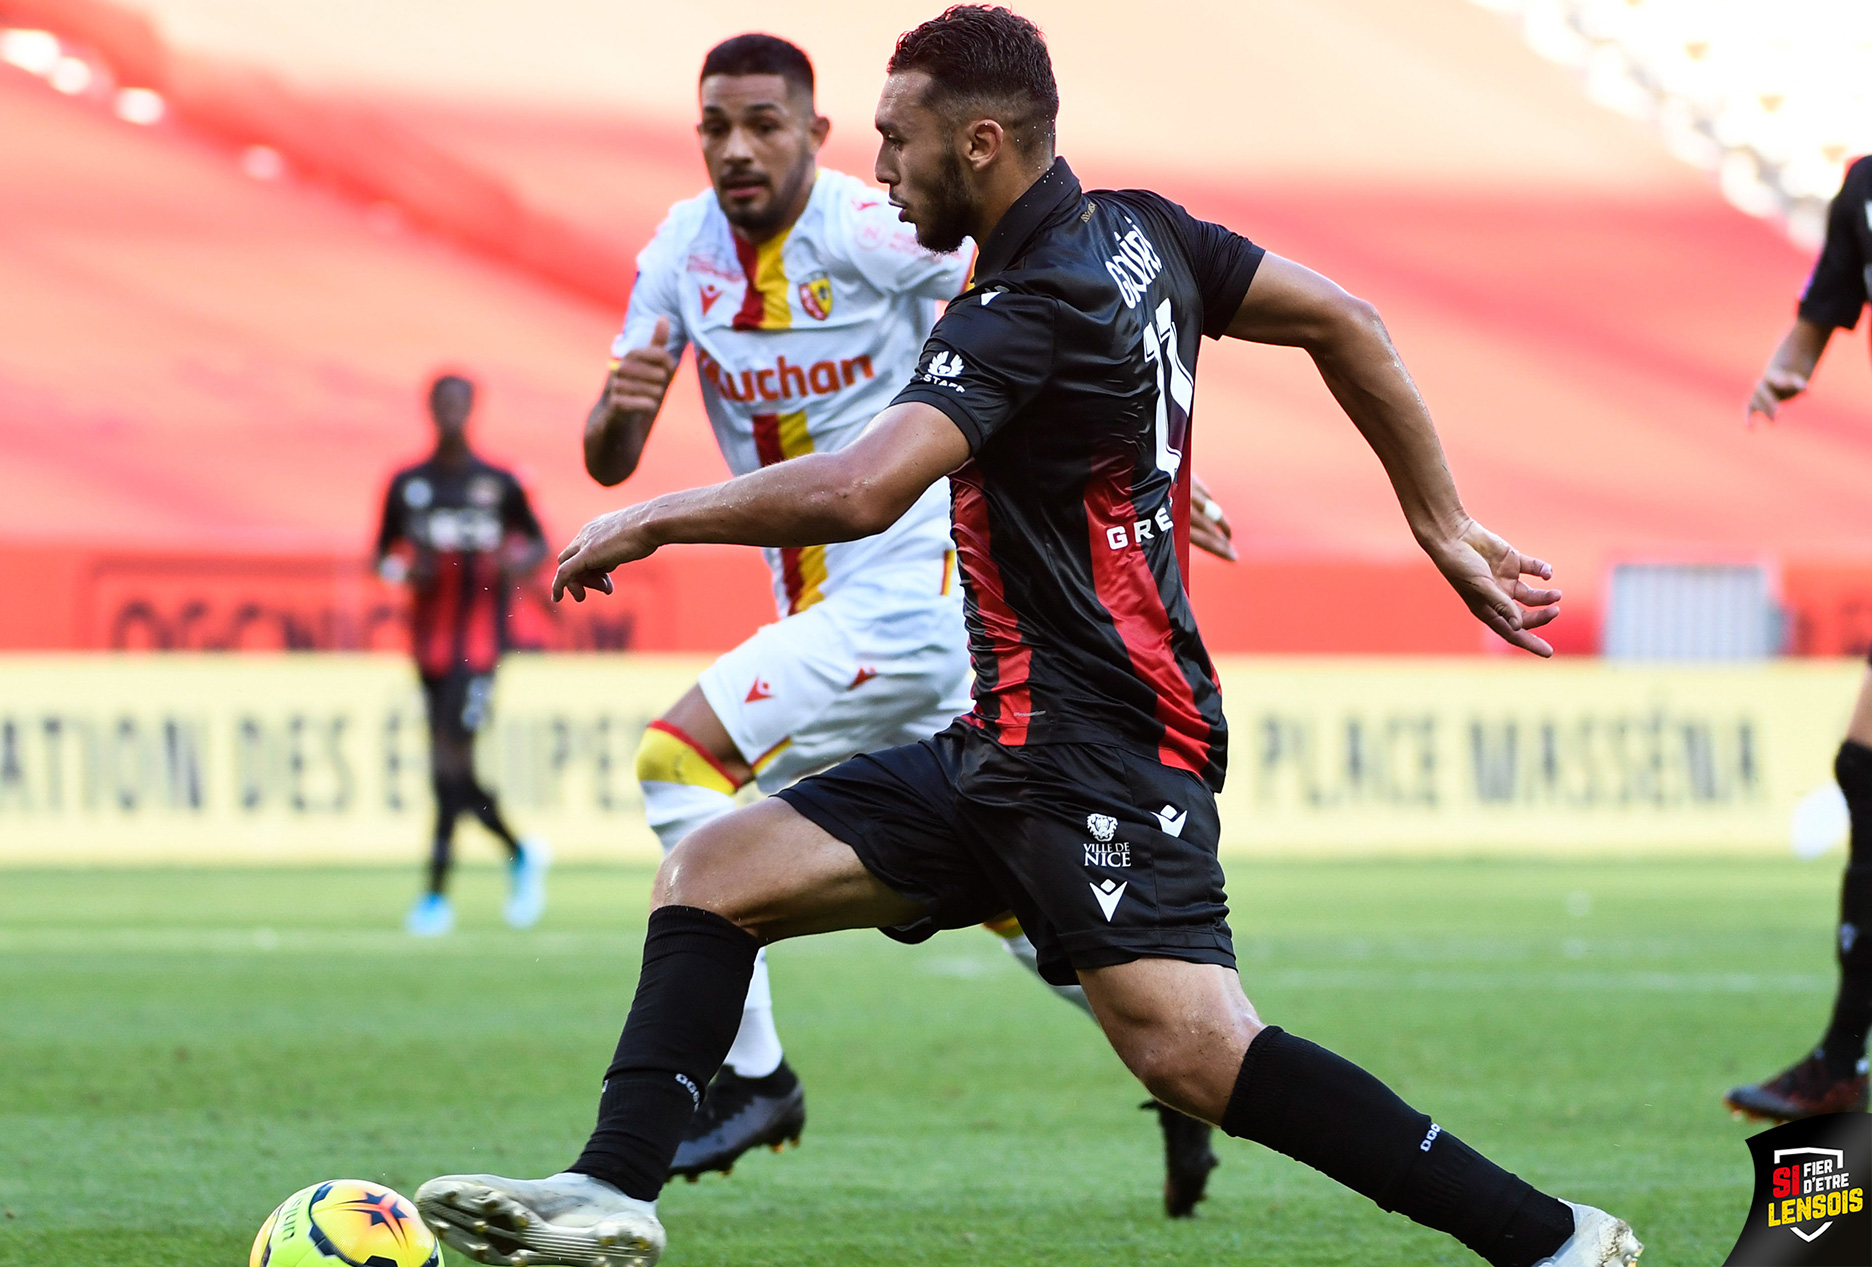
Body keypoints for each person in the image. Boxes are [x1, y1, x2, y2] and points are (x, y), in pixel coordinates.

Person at [415, 9, 1638, 1266]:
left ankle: (1549, 1239)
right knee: (714, 872)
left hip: (1102, 742)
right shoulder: (1147, 232)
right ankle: (615, 1189)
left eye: (895, 141)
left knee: (1194, 1053)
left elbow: (858, 491)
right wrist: (1438, 521)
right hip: (1002, 737)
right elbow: (1347, 320)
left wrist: (655, 515)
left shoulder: (1017, 309)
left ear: (981, 143)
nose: (880, 169)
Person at [591, 30, 1232, 1208]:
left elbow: (1043, 329)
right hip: (831, 608)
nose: (738, 149)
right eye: (715, 130)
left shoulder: (875, 228)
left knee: (677, 758)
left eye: (764, 126)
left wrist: (1127, 458)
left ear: (813, 133)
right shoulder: (677, 254)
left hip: (911, 591)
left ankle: (751, 1078)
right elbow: (606, 452)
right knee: (1010, 879)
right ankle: (1188, 1072)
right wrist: (618, 416)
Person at [1728, 154, 1872, 1121]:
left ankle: (1836, 1062)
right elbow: (1829, 296)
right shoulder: (1862, 189)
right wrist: (1792, 363)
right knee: (1864, 771)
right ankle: (1838, 1062)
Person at [375, 373, 551, 937]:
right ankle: (520, 852)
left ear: (471, 408)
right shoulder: (408, 484)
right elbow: (381, 556)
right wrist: (406, 570)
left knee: (447, 765)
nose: (451, 413)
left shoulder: (498, 484)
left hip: (479, 647)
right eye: (442, 404)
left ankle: (434, 894)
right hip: (427, 647)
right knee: (451, 771)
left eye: (459, 403)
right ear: (431, 408)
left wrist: (518, 565)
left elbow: (540, 542)